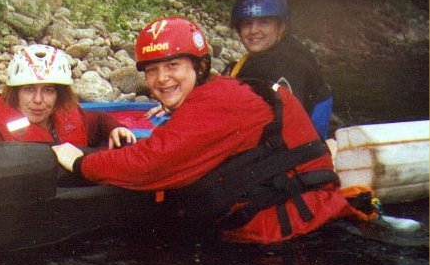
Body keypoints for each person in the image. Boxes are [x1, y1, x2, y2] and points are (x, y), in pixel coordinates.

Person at [52, 16, 363, 244]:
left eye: (173, 66)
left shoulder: (215, 103)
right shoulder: (215, 93)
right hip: (289, 227)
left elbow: (151, 163)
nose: (162, 79)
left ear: (198, 67)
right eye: (152, 70)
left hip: (297, 237)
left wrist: (80, 164)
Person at [0, 44, 136, 148]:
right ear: (16, 93)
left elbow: (100, 121)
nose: (38, 100)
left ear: (59, 95)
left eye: (48, 90)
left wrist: (115, 128)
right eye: (29, 89)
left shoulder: (71, 116)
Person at [230, 0, 333, 138]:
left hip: (297, 152)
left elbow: (285, 127)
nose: (253, 30)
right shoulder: (262, 56)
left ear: (281, 27)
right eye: (247, 24)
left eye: (264, 23)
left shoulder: (290, 63)